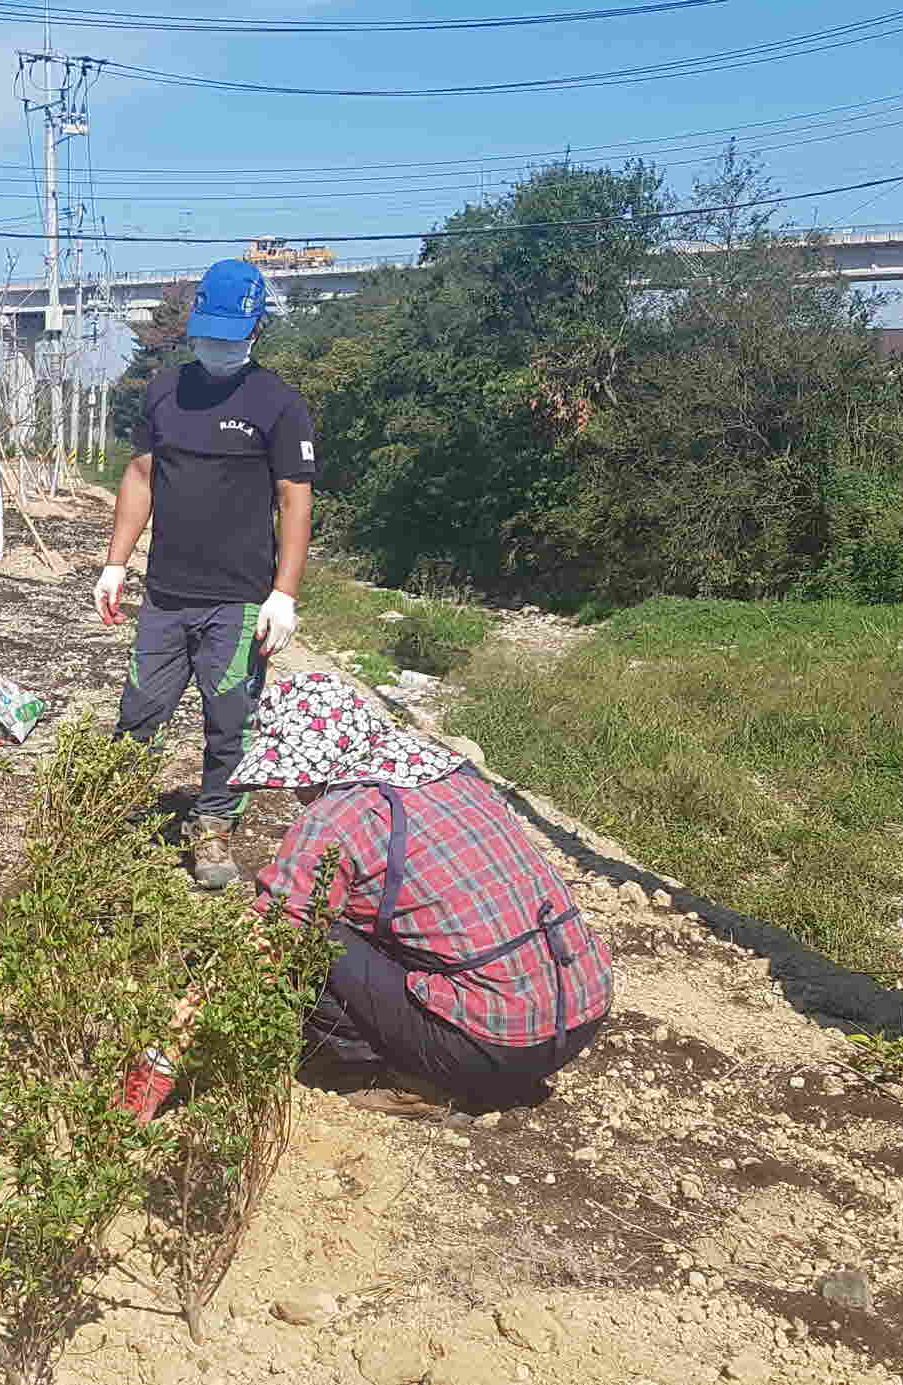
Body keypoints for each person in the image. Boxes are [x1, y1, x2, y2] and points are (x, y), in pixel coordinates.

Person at [117, 673, 613, 1123]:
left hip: (492, 1041)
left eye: (298, 782)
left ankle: (410, 1079)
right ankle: (462, 1064)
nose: (297, 795)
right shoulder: (454, 775)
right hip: (582, 1012)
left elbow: (264, 940)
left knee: (313, 934)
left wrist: (161, 1061)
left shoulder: (337, 818)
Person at [94, 257, 315, 890]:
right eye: (208, 333)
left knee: (230, 719)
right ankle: (113, 823)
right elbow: (140, 477)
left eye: (229, 335)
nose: (216, 347)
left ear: (254, 331)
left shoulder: (277, 403)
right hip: (166, 593)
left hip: (241, 600)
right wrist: (115, 563)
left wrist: (285, 594)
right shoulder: (166, 389)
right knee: (139, 713)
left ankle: (214, 826)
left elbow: (295, 498)